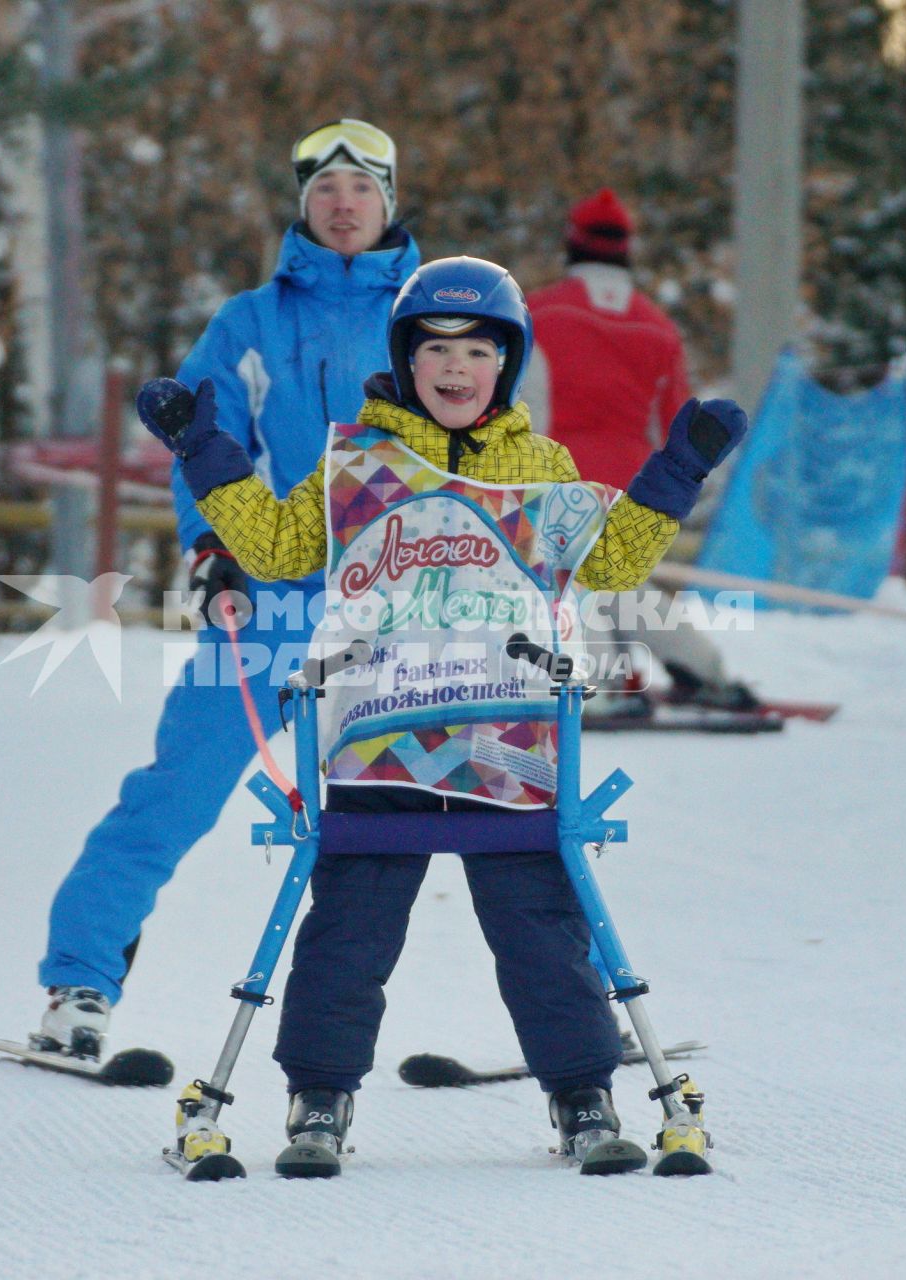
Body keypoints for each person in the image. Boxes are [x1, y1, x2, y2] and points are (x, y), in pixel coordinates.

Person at [138, 256, 748, 1174]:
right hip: (381, 738)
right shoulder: (359, 463)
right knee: (351, 923)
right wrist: (204, 450)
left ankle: (582, 1096)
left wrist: (678, 466)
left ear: (505, 363)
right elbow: (271, 545)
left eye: (476, 350)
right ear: (405, 357)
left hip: (508, 741)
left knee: (541, 921)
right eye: (435, 349)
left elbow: (616, 562)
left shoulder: (542, 472)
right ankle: (320, 1099)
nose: (455, 368)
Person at [32, 120, 421, 1061]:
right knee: (179, 792)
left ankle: (569, 1012)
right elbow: (205, 446)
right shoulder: (249, 323)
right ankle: (78, 987)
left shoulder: (430, 318)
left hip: (403, 609)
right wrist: (215, 552)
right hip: (275, 603)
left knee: (475, 800)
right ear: (302, 207)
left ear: (389, 203)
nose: (342, 206)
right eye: (324, 191)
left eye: (360, 191)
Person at [523, 188, 761, 713]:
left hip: (560, 482)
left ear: (572, 244)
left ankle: (603, 680)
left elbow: (525, 407)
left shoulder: (538, 313)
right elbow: (679, 424)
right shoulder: (660, 328)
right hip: (636, 486)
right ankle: (706, 671)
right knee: (628, 587)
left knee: (573, 587)